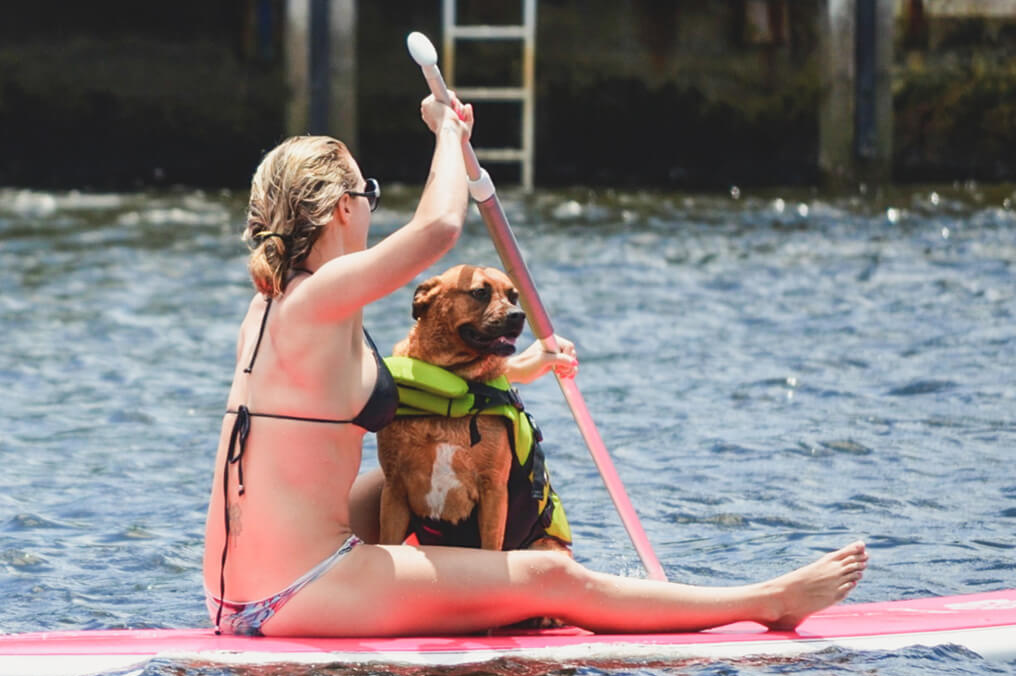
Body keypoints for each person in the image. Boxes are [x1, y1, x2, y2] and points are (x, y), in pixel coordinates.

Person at [203, 92, 867, 637]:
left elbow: (403, 388)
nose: (373, 206)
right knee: (552, 578)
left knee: (393, 477)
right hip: (299, 594)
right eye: (369, 192)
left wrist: (516, 372)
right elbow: (437, 232)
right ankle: (767, 601)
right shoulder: (320, 297)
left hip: (231, 592)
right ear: (346, 207)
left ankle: (478, 587)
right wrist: (447, 135)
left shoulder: (271, 310)